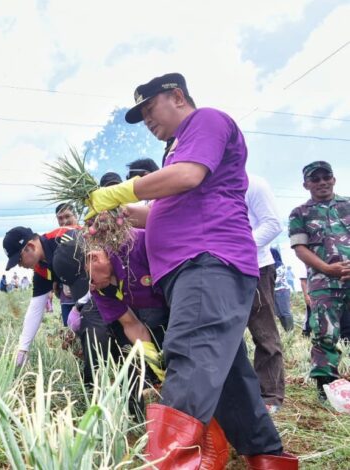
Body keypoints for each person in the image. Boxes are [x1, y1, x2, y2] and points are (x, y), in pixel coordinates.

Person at [86, 73, 293, 467]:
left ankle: (168, 462)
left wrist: (121, 191)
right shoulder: (175, 151)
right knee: (230, 378)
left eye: (150, 109)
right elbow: (168, 208)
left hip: (208, 261)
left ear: (177, 96)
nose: (147, 120)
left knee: (189, 358)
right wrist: (122, 213)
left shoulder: (206, 121)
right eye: (142, 115)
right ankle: (269, 458)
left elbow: (188, 177)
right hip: (193, 268)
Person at [288, 161, 350, 401]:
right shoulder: (299, 213)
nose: (322, 182)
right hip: (324, 282)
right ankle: (327, 389)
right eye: (316, 179)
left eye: (327, 177)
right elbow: (299, 248)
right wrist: (327, 268)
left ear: (334, 179)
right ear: (306, 184)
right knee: (325, 333)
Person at [85, 228, 167, 382]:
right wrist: (153, 360)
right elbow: (131, 324)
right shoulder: (100, 290)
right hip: (154, 310)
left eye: (91, 280)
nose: (92, 288)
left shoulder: (134, 245)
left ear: (94, 258)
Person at [2, 225, 79, 367]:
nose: (19, 266)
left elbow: (97, 267)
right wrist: (23, 349)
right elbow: (36, 309)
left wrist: (79, 307)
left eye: (19, 260)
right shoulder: (41, 270)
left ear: (30, 246)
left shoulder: (64, 239)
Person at [245, 174, 285, 413]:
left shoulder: (253, 184)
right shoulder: (203, 185)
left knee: (264, 332)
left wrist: (238, 249)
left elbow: (272, 224)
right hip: (221, 269)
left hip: (256, 267)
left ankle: (270, 396)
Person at [54, 203, 78, 326]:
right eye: (60, 218)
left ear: (76, 215)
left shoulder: (87, 234)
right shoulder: (55, 240)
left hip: (87, 297)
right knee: (70, 334)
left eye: (67, 216)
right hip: (67, 299)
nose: (64, 221)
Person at [272, 248, 294, 331]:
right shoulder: (272, 265)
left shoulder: (279, 265)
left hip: (282, 290)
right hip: (275, 291)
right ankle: (286, 329)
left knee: (285, 311)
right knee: (278, 312)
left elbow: (277, 279)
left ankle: (290, 330)